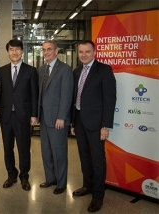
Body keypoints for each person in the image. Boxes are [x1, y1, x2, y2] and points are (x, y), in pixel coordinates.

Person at [70, 40, 116, 213]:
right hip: (80, 120)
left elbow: (110, 100)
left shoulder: (104, 70)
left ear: (94, 52)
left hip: (97, 123)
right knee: (84, 157)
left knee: (97, 159)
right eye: (81, 52)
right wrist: (73, 122)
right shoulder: (76, 72)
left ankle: (98, 195)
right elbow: (75, 99)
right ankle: (87, 186)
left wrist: (106, 126)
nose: (84, 55)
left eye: (87, 51)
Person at [0, 39, 38, 191]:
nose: (14, 52)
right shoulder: (1, 71)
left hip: (23, 116)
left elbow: (34, 94)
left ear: (22, 51)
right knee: (8, 148)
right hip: (6, 116)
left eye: (17, 49)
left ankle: (24, 177)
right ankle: (11, 175)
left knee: (24, 148)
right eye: (11, 49)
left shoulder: (31, 71)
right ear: (8, 52)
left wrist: (34, 115)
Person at [37, 40, 74, 195]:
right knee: (46, 150)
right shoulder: (41, 70)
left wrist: (62, 117)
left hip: (57, 119)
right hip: (44, 118)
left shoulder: (65, 70)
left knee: (59, 151)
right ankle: (50, 178)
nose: (46, 52)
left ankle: (61, 182)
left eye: (49, 49)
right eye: (44, 50)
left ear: (56, 51)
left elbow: (67, 96)